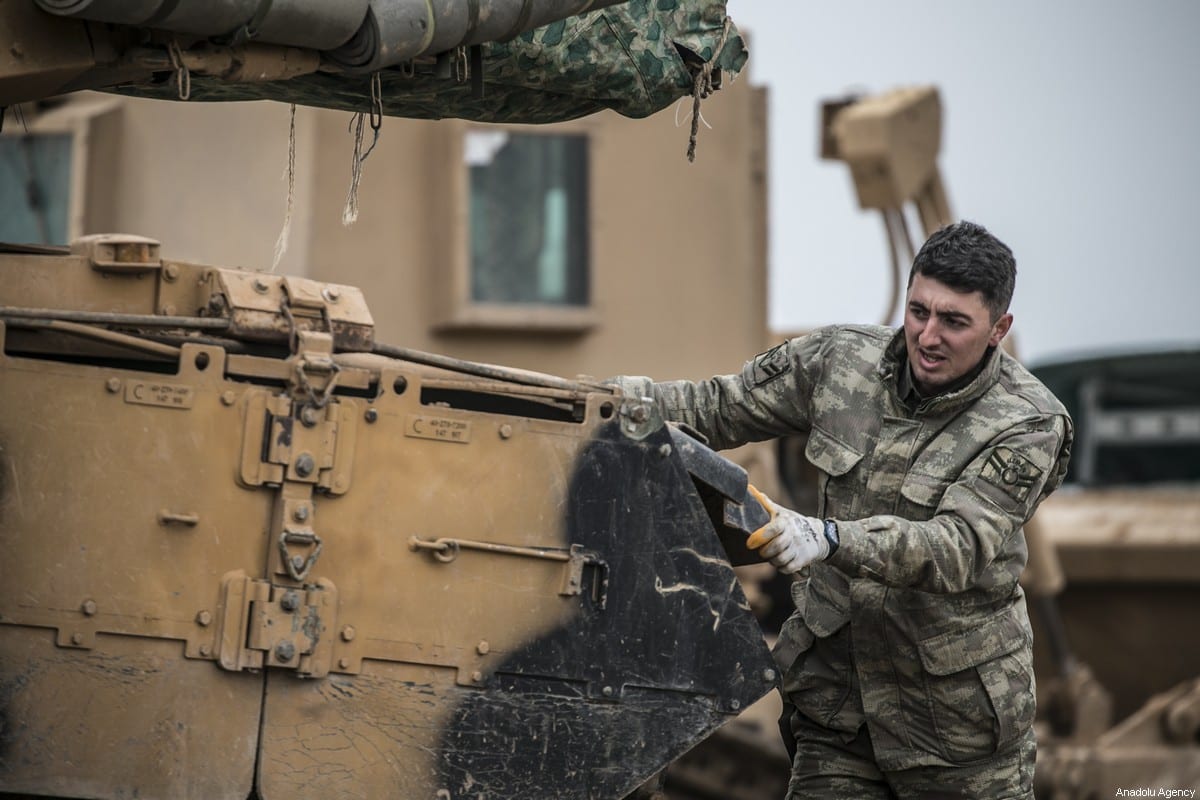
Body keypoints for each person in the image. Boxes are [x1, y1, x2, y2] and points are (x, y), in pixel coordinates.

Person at [610, 221, 1073, 799]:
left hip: (956, 733)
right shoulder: (840, 359)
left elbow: (955, 547)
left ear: (998, 328)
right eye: (918, 311)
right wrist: (610, 403)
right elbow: (719, 406)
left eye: (954, 322)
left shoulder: (1028, 423)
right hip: (838, 712)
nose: (927, 336)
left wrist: (828, 538)